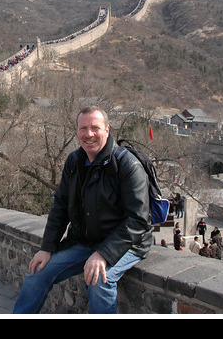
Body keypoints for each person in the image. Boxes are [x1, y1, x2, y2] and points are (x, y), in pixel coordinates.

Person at [12, 106, 153, 314]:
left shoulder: (127, 165)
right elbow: (60, 206)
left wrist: (104, 254)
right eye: (83, 128)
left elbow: (138, 220)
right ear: (77, 131)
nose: (89, 134)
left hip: (126, 244)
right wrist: (47, 247)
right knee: (38, 272)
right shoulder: (75, 161)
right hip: (85, 242)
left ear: (107, 129)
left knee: (99, 280)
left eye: (95, 128)